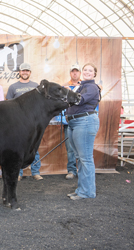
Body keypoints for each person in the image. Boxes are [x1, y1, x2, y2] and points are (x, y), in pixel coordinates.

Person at [66, 63, 100, 200]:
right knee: (80, 158)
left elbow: (79, 100)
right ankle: (81, 189)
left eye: (90, 70)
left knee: (85, 158)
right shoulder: (82, 86)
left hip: (84, 122)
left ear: (94, 74)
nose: (87, 72)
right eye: (85, 70)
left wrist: (69, 92)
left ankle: (87, 192)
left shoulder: (92, 87)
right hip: (75, 122)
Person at [6, 62, 43, 181]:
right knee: (18, 148)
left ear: (30, 72)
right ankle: (18, 173)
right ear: (19, 72)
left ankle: (36, 172)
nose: (25, 72)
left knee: (34, 147)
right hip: (17, 123)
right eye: (23, 71)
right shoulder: (13, 87)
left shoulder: (36, 86)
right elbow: (8, 104)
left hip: (33, 123)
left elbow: (40, 104)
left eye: (27, 70)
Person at [63, 64, 82, 180]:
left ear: (80, 73)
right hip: (69, 121)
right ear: (70, 73)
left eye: (77, 71)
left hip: (82, 121)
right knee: (70, 148)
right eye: (73, 71)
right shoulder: (65, 87)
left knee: (82, 148)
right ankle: (71, 170)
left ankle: (82, 170)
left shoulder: (85, 87)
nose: (75, 73)